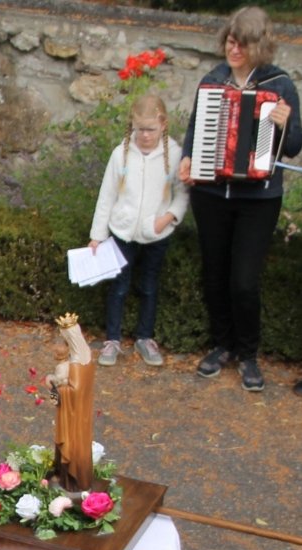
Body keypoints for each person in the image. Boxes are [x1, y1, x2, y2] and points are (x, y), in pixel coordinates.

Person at [178, 6, 302, 392]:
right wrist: (186, 158)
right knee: (214, 274)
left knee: (244, 281)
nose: (234, 49)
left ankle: (249, 354)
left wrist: (285, 123)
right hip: (211, 192)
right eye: (230, 41)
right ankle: (223, 346)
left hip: (259, 198)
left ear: (258, 46)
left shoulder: (280, 85)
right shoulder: (213, 80)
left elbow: (294, 147)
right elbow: (196, 128)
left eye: (242, 43)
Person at [90, 93, 189, 368]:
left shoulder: (175, 154)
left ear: (163, 124)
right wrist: (97, 235)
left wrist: (168, 217)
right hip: (122, 233)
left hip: (156, 235)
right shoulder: (120, 154)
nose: (144, 136)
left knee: (148, 286)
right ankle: (112, 338)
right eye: (139, 129)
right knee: (119, 287)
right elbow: (106, 196)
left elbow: (182, 195)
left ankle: (145, 337)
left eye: (150, 130)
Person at [45, 313, 95, 493]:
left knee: (72, 448)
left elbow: (75, 391)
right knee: (67, 448)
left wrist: (53, 384)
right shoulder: (80, 358)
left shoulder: (78, 362)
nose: (62, 343)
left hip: (74, 416)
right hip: (72, 413)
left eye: (65, 338)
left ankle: (74, 482)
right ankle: (64, 476)